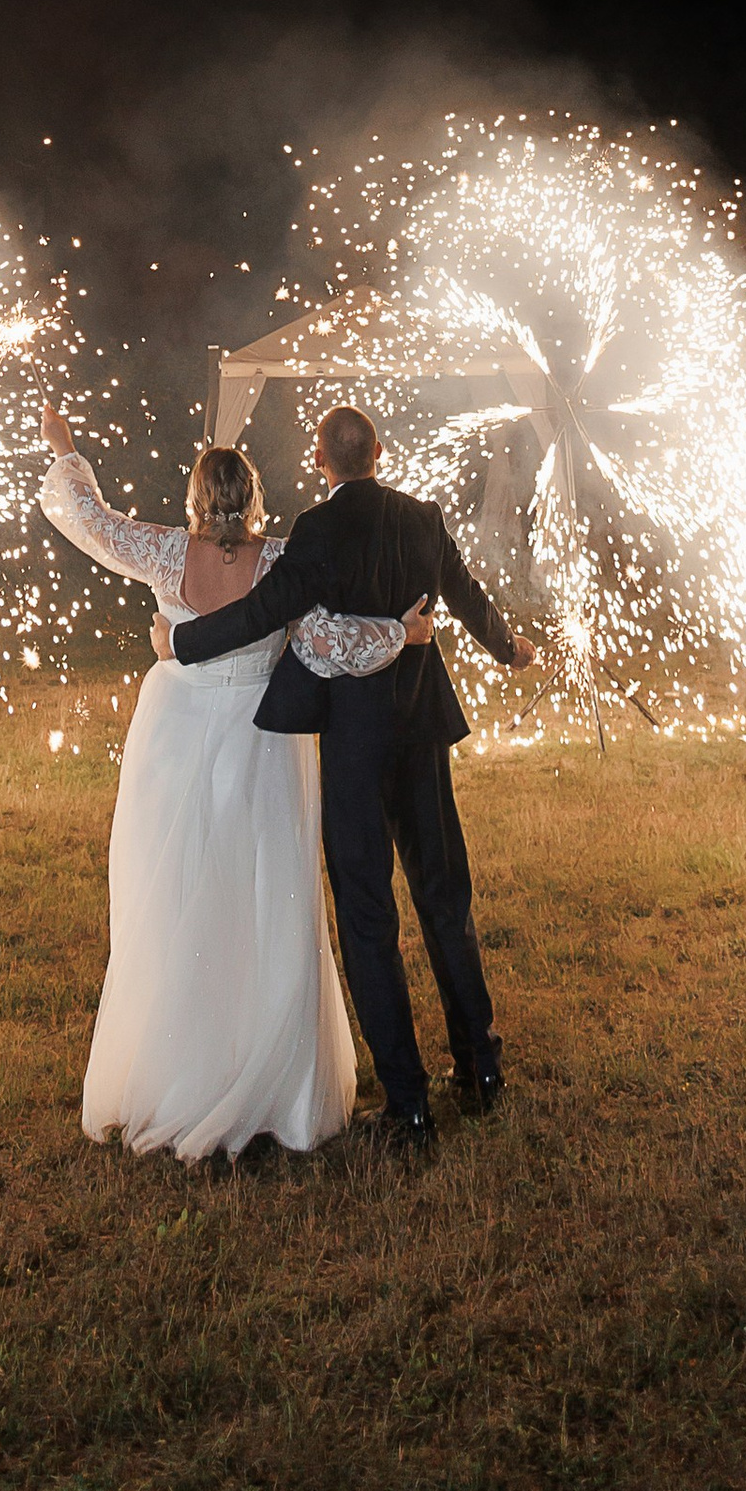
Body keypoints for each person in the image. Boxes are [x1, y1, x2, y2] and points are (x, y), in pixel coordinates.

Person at [35, 401, 436, 1164]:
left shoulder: (159, 552)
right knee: (261, 901)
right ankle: (266, 1077)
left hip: (176, 738)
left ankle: (177, 1074)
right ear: (254, 500)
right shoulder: (282, 560)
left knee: (178, 898)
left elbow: (87, 518)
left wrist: (65, 446)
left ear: (194, 500)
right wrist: (402, 633)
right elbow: (330, 637)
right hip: (259, 741)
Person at [169, 401, 536, 1151]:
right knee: (445, 897)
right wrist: (511, 649)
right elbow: (467, 600)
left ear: (319, 461)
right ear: (380, 451)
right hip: (420, 733)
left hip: (356, 745)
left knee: (370, 921)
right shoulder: (422, 520)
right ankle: (481, 1068)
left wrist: (183, 641)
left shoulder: (318, 530)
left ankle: (408, 1106)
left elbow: (265, 611)